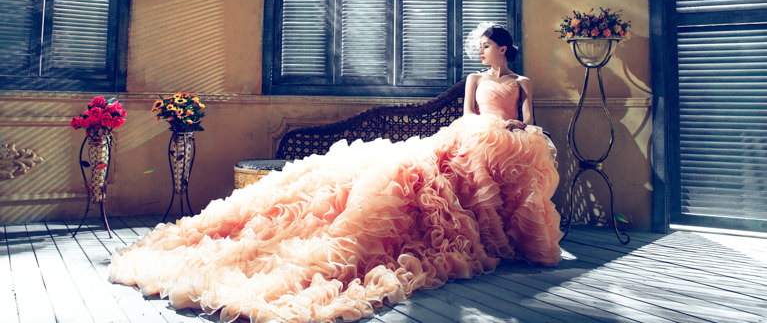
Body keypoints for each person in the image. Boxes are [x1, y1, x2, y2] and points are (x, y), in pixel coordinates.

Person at [108, 22, 562, 323]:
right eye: (479, 46)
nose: (481, 51)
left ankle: (508, 237)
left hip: (507, 137)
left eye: (486, 45)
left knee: (520, 154)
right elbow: (465, 116)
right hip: (471, 135)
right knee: (448, 167)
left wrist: (513, 128)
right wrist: (484, 130)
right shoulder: (475, 80)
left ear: (503, 47)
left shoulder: (521, 82)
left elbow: (528, 119)